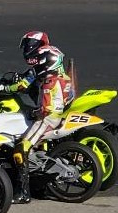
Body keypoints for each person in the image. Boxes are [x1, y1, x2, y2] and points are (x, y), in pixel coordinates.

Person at [4, 31, 74, 204]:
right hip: (57, 114)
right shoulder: (61, 77)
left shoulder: (49, 82)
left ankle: (23, 191)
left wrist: (32, 112)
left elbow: (46, 109)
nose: (38, 65)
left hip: (48, 119)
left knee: (20, 148)